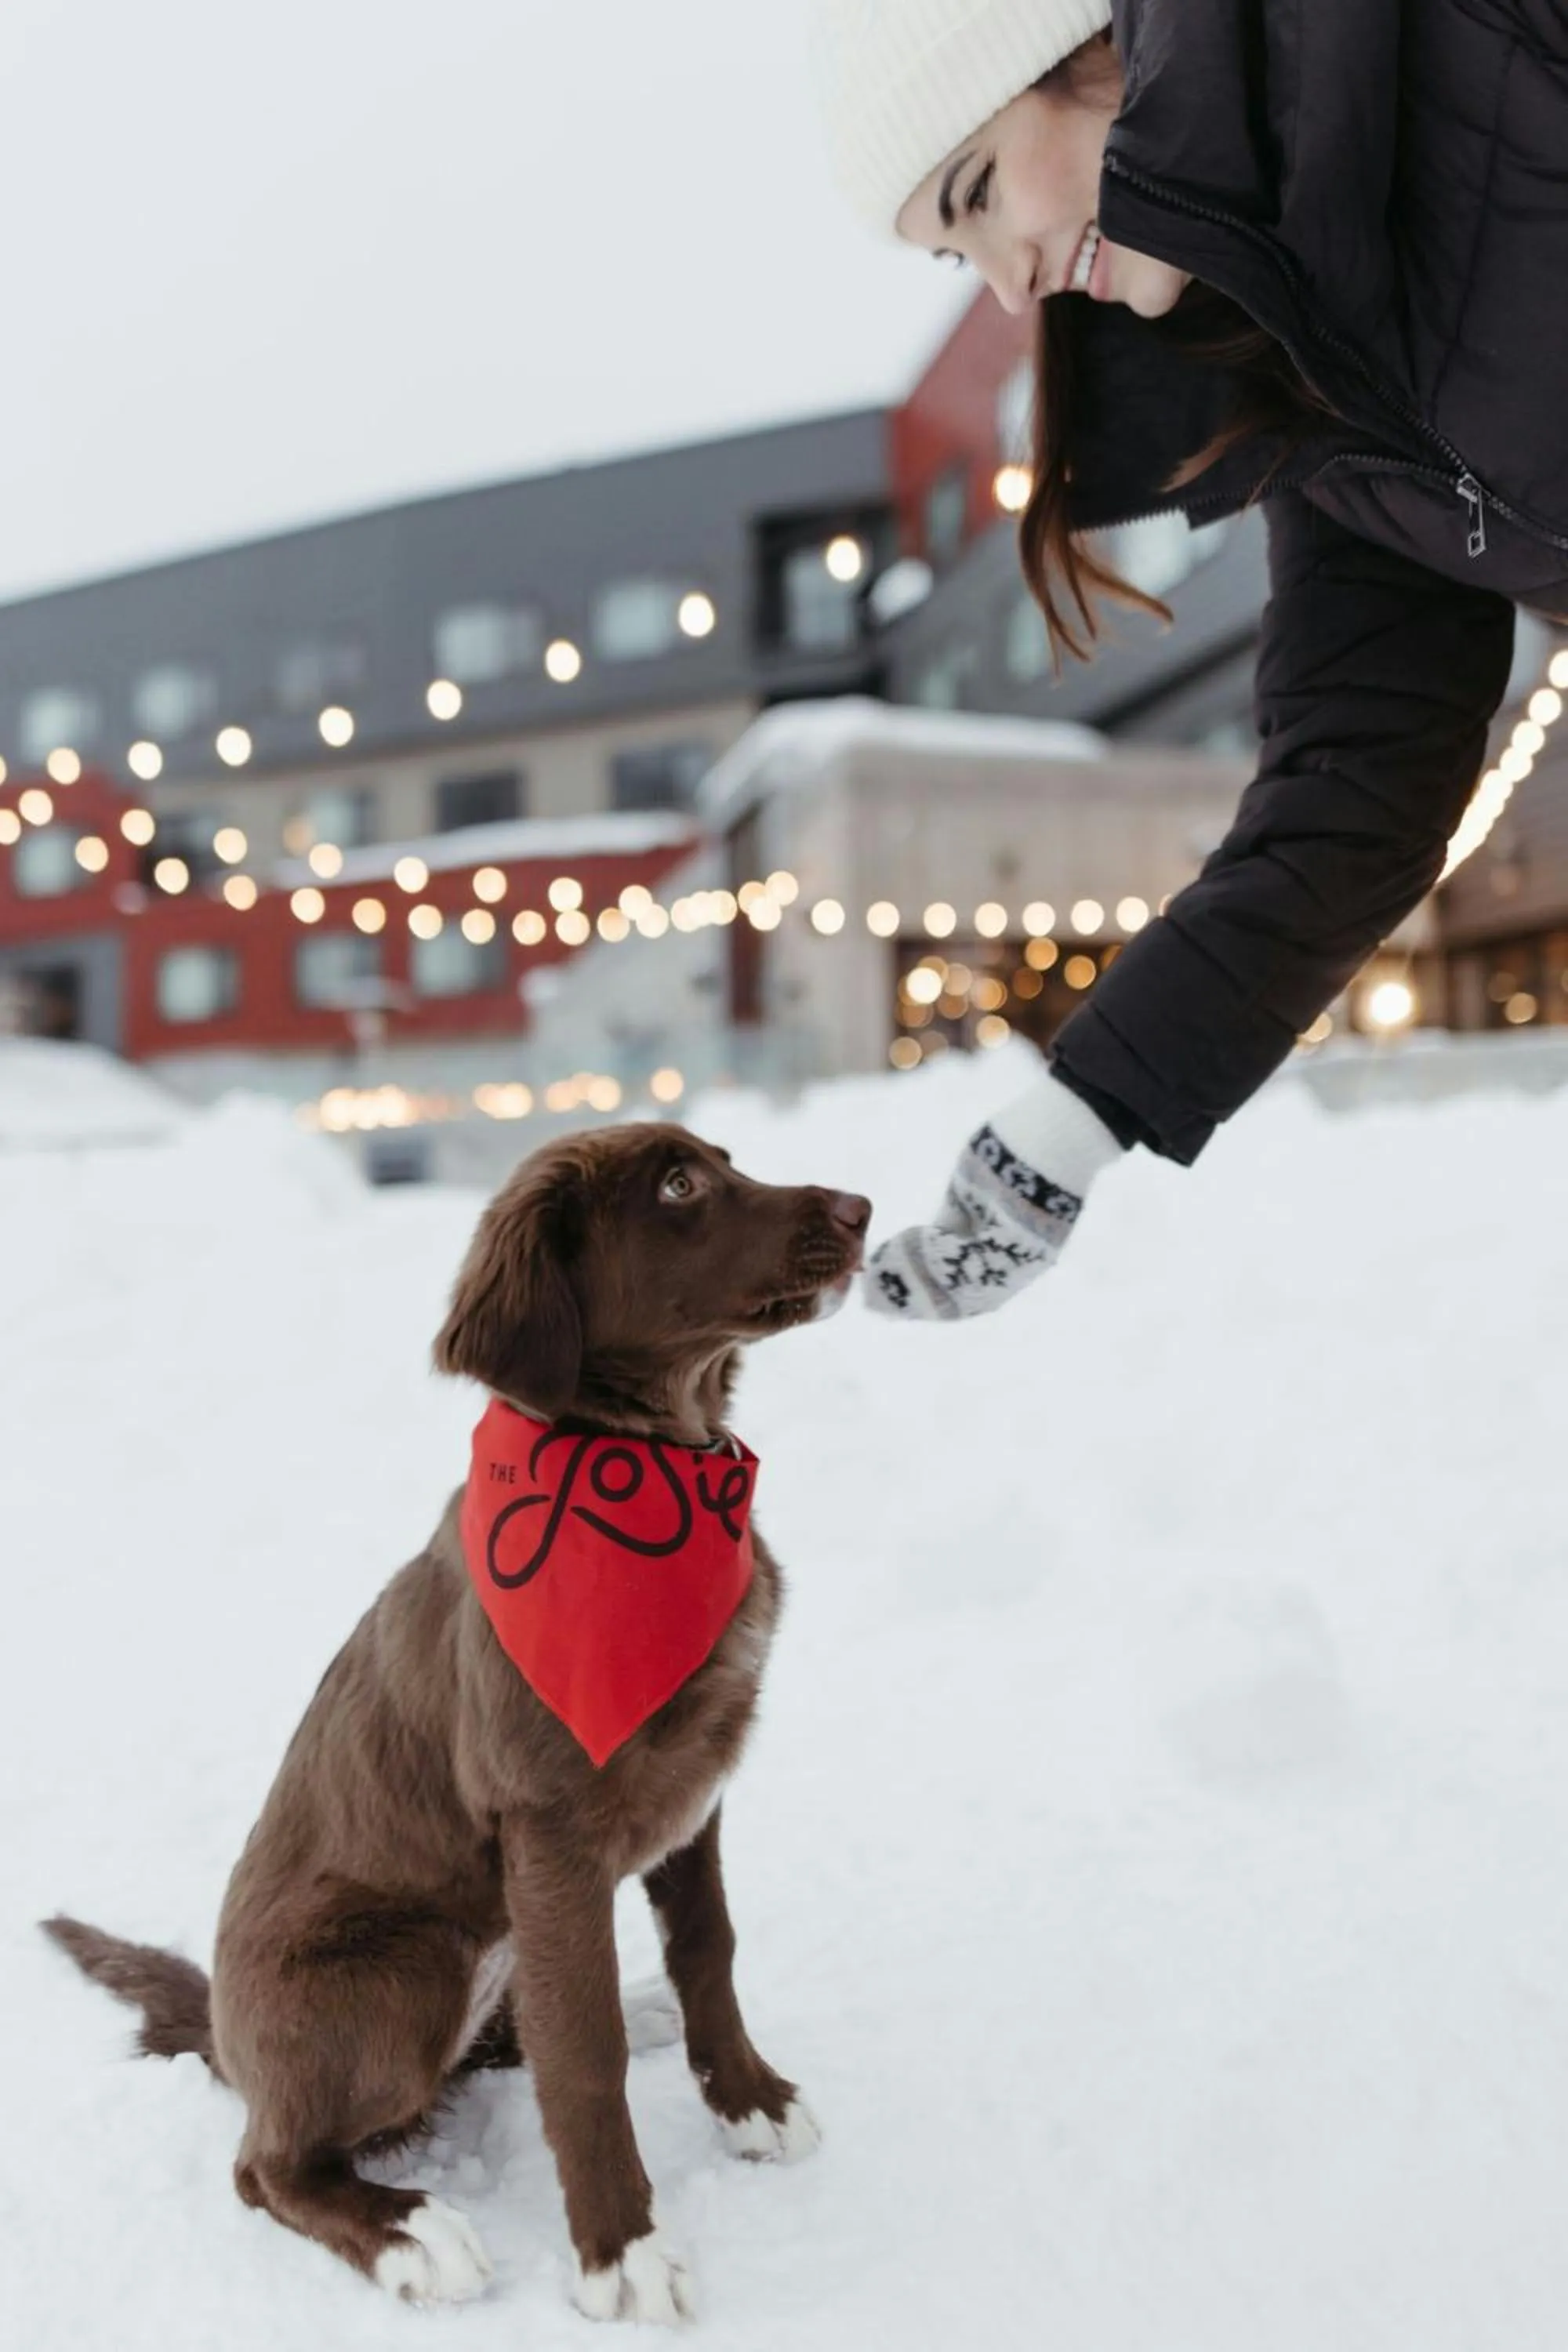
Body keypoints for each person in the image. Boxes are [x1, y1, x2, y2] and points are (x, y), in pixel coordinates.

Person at [811, 0, 1568, 1321]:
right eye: (959, 256)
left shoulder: (1467, 37)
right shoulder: (1298, 371)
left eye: (983, 191)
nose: (1012, 280)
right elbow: (1352, 800)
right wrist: (1070, 1126)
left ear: (1106, 49)